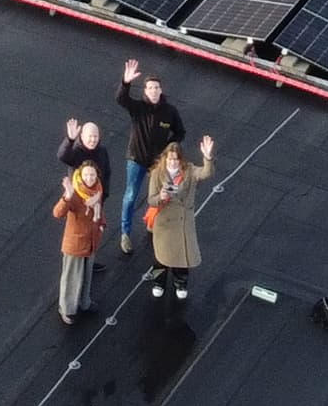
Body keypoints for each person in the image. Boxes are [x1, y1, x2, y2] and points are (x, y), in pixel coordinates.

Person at [113, 58, 184, 254]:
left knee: (160, 195)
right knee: (130, 196)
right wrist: (125, 83)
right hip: (136, 159)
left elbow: (180, 132)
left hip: (157, 163)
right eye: (150, 87)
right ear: (145, 91)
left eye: (156, 87)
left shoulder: (170, 112)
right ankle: (125, 234)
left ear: (160, 90)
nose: (153, 90)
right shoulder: (139, 109)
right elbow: (121, 99)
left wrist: (169, 148)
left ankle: (152, 222)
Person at [141, 133, 215, 310]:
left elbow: (206, 173)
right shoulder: (157, 174)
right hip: (165, 222)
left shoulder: (189, 170)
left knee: (183, 256)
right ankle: (158, 283)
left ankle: (181, 284)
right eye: (170, 159)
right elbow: (151, 200)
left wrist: (208, 157)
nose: (173, 162)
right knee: (161, 257)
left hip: (182, 222)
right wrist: (161, 196)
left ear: (181, 159)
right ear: (165, 158)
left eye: (176, 159)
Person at [52, 161, 106, 326]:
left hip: (90, 243)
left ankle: (84, 302)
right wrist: (67, 196)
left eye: (92, 175)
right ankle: (67, 309)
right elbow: (58, 213)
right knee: (71, 278)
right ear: (81, 176)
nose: (90, 178)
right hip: (75, 244)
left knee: (86, 276)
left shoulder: (97, 191)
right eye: (86, 175)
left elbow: (98, 213)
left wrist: (101, 221)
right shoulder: (75, 194)